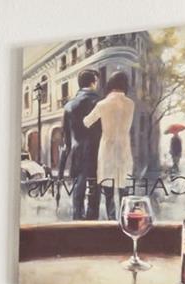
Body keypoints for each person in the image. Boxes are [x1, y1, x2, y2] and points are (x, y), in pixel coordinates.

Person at [84, 72, 137, 216]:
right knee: (124, 188)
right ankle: (124, 218)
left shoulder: (102, 104)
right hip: (124, 148)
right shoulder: (130, 104)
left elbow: (87, 121)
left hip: (107, 148)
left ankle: (112, 219)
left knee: (108, 190)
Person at [59, 69, 106, 219]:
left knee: (78, 194)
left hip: (77, 154)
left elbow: (66, 139)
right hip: (97, 154)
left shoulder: (69, 106)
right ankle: (92, 227)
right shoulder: (101, 103)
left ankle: (77, 222)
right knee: (94, 194)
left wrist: (62, 166)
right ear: (93, 82)